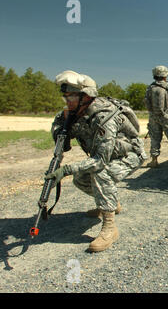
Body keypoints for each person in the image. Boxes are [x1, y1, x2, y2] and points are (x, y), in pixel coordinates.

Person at [45, 70, 147, 252]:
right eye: (65, 97)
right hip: (107, 155)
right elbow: (61, 139)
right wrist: (61, 130)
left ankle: (109, 228)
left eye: (72, 97)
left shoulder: (103, 117)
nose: (67, 102)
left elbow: (100, 161)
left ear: (85, 97)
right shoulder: (74, 112)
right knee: (80, 179)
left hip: (129, 155)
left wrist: (66, 170)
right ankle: (109, 203)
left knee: (101, 173)